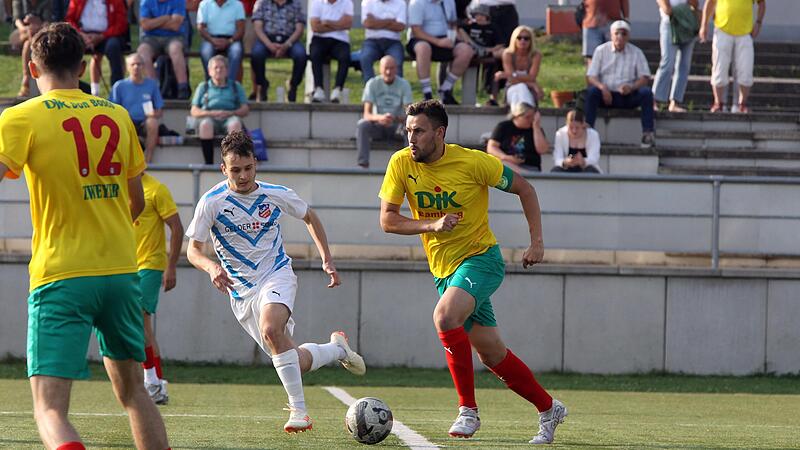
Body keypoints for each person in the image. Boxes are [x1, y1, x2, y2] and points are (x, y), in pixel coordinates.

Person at [0, 23, 170, 449]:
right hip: (120, 272)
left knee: (50, 409)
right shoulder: (115, 114)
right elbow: (136, 203)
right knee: (134, 394)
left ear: (33, 67)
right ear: (81, 66)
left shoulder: (21, 117)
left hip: (61, 273)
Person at [378, 100, 567, 444]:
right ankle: (548, 407)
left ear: (439, 133)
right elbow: (387, 221)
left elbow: (526, 188)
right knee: (492, 353)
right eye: (408, 130)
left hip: (482, 259)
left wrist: (536, 242)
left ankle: (468, 410)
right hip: (444, 271)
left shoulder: (473, 162)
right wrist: (431, 224)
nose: (411, 138)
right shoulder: (401, 163)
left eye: (418, 131)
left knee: (445, 316)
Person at [185, 130, 367, 433]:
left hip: (276, 273)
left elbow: (310, 217)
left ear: (256, 163)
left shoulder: (274, 193)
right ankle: (337, 350)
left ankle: (299, 412)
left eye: (248, 168)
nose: (243, 176)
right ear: (223, 169)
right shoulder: (212, 202)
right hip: (241, 292)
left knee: (272, 328)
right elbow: (193, 250)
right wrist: (210, 267)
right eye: (235, 170)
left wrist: (327, 259)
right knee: (293, 358)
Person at [134, 172, 184, 405]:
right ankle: (156, 384)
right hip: (124, 265)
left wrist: (171, 266)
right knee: (142, 324)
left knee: (137, 318)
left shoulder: (155, 189)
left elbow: (177, 227)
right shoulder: (116, 186)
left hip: (150, 265)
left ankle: (152, 381)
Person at [585, 20, 655, 148]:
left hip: (627, 95)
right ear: (611, 35)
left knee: (646, 93)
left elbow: (645, 77)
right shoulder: (601, 50)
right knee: (591, 93)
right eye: (617, 33)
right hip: (606, 95)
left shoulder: (636, 52)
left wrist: (632, 87)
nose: (620, 37)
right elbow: (591, 76)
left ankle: (648, 134)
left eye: (624, 34)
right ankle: (587, 133)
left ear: (628, 36)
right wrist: (602, 87)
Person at [699, 0, 766, 113]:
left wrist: (758, 23)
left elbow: (762, 3)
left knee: (746, 70)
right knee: (719, 68)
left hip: (745, 32)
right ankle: (718, 103)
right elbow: (710, 3)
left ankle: (741, 104)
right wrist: (704, 25)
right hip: (722, 30)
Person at [406, 0, 474, 104]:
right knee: (423, 48)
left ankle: (445, 90)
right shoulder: (417, 3)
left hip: (445, 39)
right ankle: (427, 93)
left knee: (466, 50)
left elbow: (453, 23)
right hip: (421, 38)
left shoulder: (449, 1)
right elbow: (416, 30)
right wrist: (438, 42)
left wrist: (456, 37)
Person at [188, 55, 249, 165]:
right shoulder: (203, 87)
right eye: (216, 67)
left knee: (235, 124)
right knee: (205, 124)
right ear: (209, 71)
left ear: (227, 70)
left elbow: (245, 109)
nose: (219, 70)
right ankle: (209, 164)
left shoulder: (235, 86)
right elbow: (194, 110)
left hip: (230, 116)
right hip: (209, 118)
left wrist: (232, 113)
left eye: (222, 67)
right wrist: (211, 113)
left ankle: (233, 163)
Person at [356, 55, 412, 168]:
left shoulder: (404, 84)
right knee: (362, 125)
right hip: (378, 126)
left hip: (397, 127)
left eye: (391, 68)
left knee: (411, 128)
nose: (388, 71)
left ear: (396, 69)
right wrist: (380, 118)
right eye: (386, 68)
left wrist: (394, 118)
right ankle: (363, 163)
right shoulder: (372, 84)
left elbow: (410, 114)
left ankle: (411, 164)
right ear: (380, 68)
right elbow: (367, 114)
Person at [110, 53, 165, 163]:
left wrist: (154, 114)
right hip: (126, 121)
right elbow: (112, 110)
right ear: (127, 67)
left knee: (153, 122)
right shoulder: (119, 86)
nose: (136, 67)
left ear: (143, 67)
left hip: (145, 122)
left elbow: (160, 110)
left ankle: (148, 160)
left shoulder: (152, 85)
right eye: (133, 64)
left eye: (139, 64)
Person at [65, 0, 128, 95]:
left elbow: (121, 24)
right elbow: (69, 19)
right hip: (82, 35)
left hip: (106, 36)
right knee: (67, 46)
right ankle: (70, 88)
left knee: (114, 46)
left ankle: (117, 91)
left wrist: (102, 36)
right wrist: (80, 34)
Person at [251, 0, 307, 102]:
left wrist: (286, 45)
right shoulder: (262, 3)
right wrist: (269, 44)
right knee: (256, 54)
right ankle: (262, 84)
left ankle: (293, 85)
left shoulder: (296, 3)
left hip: (290, 39)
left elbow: (299, 29)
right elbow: (257, 27)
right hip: (266, 38)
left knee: (301, 55)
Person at [652, 0, 699, 113]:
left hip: (687, 23)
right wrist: (679, 10)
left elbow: (694, 4)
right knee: (667, 62)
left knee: (684, 65)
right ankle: (654, 100)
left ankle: (675, 102)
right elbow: (666, 9)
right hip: (670, 23)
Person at [138, 0, 191, 99]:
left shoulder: (178, 1)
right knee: (142, 52)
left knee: (175, 50)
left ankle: (183, 87)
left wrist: (154, 22)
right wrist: (166, 18)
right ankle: (153, 88)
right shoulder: (146, 2)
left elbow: (175, 25)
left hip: (174, 37)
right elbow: (145, 25)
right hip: (151, 38)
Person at [457, 4, 504, 106]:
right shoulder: (471, 26)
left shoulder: (493, 28)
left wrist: (489, 50)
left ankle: (493, 97)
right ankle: (469, 98)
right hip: (473, 52)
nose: (478, 17)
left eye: (480, 15)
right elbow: (459, 29)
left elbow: (500, 44)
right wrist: (470, 44)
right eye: (476, 15)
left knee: (495, 63)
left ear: (486, 16)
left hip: (489, 52)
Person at [308, 0, 353, 103]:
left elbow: (348, 24)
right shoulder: (316, 2)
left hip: (340, 40)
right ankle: (318, 88)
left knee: (345, 57)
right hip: (320, 39)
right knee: (315, 54)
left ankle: (338, 89)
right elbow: (315, 27)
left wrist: (327, 23)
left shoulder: (347, 2)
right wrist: (338, 25)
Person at [486, 102, 549, 173]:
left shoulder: (536, 129)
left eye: (533, 117)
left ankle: (524, 175)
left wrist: (536, 127)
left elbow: (543, 150)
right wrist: (506, 157)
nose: (531, 120)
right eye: (527, 117)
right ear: (517, 116)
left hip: (530, 166)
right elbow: (491, 147)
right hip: (508, 164)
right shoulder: (503, 127)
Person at [493, 25, 542, 107]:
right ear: (514, 39)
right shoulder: (508, 54)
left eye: (526, 38)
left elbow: (532, 77)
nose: (522, 41)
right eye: (519, 38)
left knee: (520, 92)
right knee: (520, 88)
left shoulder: (535, 55)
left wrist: (511, 75)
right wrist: (531, 84)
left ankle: (520, 114)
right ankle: (527, 112)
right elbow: (511, 80)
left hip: (529, 90)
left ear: (531, 41)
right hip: (512, 87)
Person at [358, 0, 406, 84]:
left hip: (393, 42)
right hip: (372, 42)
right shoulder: (367, 2)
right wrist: (390, 21)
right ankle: (370, 90)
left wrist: (375, 21)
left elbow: (400, 26)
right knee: (365, 58)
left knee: (397, 61)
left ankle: (396, 92)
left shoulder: (400, 3)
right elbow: (368, 24)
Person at [197, 0, 245, 82]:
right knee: (206, 52)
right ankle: (211, 84)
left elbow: (241, 29)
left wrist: (229, 41)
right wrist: (212, 40)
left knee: (236, 51)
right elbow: (200, 28)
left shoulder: (237, 4)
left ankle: (230, 84)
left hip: (232, 39)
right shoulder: (205, 4)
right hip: (210, 38)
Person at [11, 0, 50, 97]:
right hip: (21, 32)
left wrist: (37, 27)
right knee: (29, 40)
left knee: (28, 44)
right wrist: (27, 29)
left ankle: (26, 80)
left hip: (40, 30)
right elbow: (17, 21)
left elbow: (47, 21)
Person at [551, 109, 601, 173]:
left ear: (583, 125)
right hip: (567, 169)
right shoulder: (560, 134)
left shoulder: (593, 135)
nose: (574, 131)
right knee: (555, 171)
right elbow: (557, 158)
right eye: (571, 128)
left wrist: (583, 161)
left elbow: (594, 158)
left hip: (585, 169)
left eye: (577, 128)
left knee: (591, 171)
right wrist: (566, 162)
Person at [582, 0, 628, 66]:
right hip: (591, 22)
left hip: (612, 22)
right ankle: (592, 75)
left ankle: (612, 75)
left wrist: (626, 18)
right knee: (591, 56)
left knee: (614, 54)